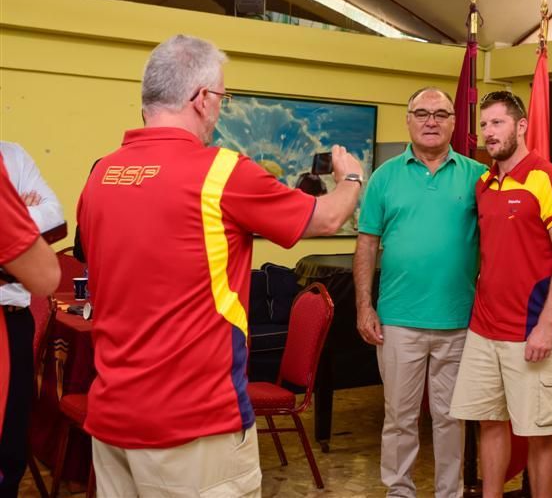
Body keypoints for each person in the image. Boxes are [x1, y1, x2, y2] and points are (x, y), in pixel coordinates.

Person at [77, 34, 363, 497]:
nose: (220, 110)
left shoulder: (101, 175)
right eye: (222, 98)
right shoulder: (220, 170)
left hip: (112, 413)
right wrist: (350, 176)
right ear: (202, 99)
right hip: (195, 423)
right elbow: (328, 217)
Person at [353, 87, 486, 498]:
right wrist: (363, 306)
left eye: (441, 114)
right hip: (397, 322)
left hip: (459, 321)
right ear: (408, 120)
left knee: (451, 419)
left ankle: (450, 492)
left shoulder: (477, 177)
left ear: (453, 123)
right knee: (399, 417)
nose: (431, 121)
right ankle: (399, 491)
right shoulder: (384, 177)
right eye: (422, 113)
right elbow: (366, 244)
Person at [450, 91, 552, 498]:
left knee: (539, 435)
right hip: (484, 330)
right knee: (489, 422)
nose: (489, 132)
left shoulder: (549, 179)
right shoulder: (484, 184)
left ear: (521, 126)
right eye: (484, 125)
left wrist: (545, 326)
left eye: (498, 123)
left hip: (531, 333)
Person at [0, 142, 63, 496]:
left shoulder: (13, 156)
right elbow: (42, 271)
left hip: (12, 321)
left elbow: (54, 214)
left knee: (10, 446)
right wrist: (21, 215)